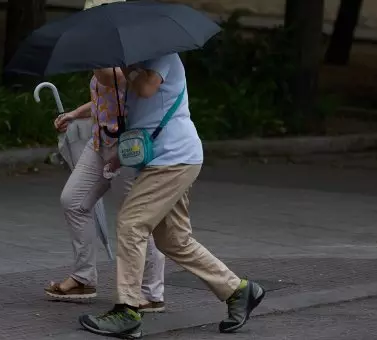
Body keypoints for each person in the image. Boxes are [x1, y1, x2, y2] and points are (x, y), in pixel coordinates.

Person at [78, 53, 266, 339]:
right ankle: (238, 290)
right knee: (173, 239)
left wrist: (125, 69)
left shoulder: (164, 55)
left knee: (131, 224)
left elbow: (146, 88)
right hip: (162, 159)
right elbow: (143, 115)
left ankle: (127, 311)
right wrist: (120, 154)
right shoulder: (137, 63)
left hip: (174, 158)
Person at [44, 66, 167, 313]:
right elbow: (101, 99)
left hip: (128, 147)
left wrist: (94, 54)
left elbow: (110, 79)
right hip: (100, 142)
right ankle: (84, 277)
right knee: (73, 201)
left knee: (134, 219)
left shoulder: (121, 68)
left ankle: (152, 292)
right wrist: (75, 114)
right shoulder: (104, 59)